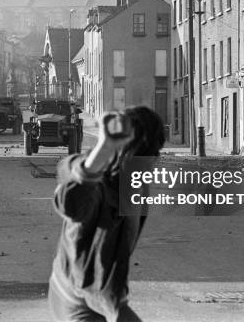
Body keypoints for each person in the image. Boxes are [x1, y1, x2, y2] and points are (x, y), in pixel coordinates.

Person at [48, 106, 165, 322]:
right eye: (145, 152)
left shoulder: (136, 185)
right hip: (75, 298)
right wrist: (105, 147)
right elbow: (71, 202)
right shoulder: (97, 181)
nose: (154, 159)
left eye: (155, 151)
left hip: (104, 297)